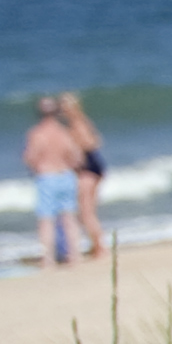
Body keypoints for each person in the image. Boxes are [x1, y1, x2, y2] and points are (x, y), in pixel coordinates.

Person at [24, 94, 86, 268]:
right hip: (66, 176)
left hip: (47, 176)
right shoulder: (63, 132)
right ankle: (75, 256)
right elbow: (76, 157)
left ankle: (48, 259)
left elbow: (31, 157)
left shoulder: (37, 134)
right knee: (69, 218)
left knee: (47, 220)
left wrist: (37, 167)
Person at [61, 90, 109, 258]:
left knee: (86, 212)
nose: (63, 109)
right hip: (95, 165)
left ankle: (100, 247)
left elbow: (89, 144)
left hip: (88, 167)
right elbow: (97, 140)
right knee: (89, 211)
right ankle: (97, 245)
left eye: (65, 106)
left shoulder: (76, 124)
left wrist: (75, 158)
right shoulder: (82, 121)